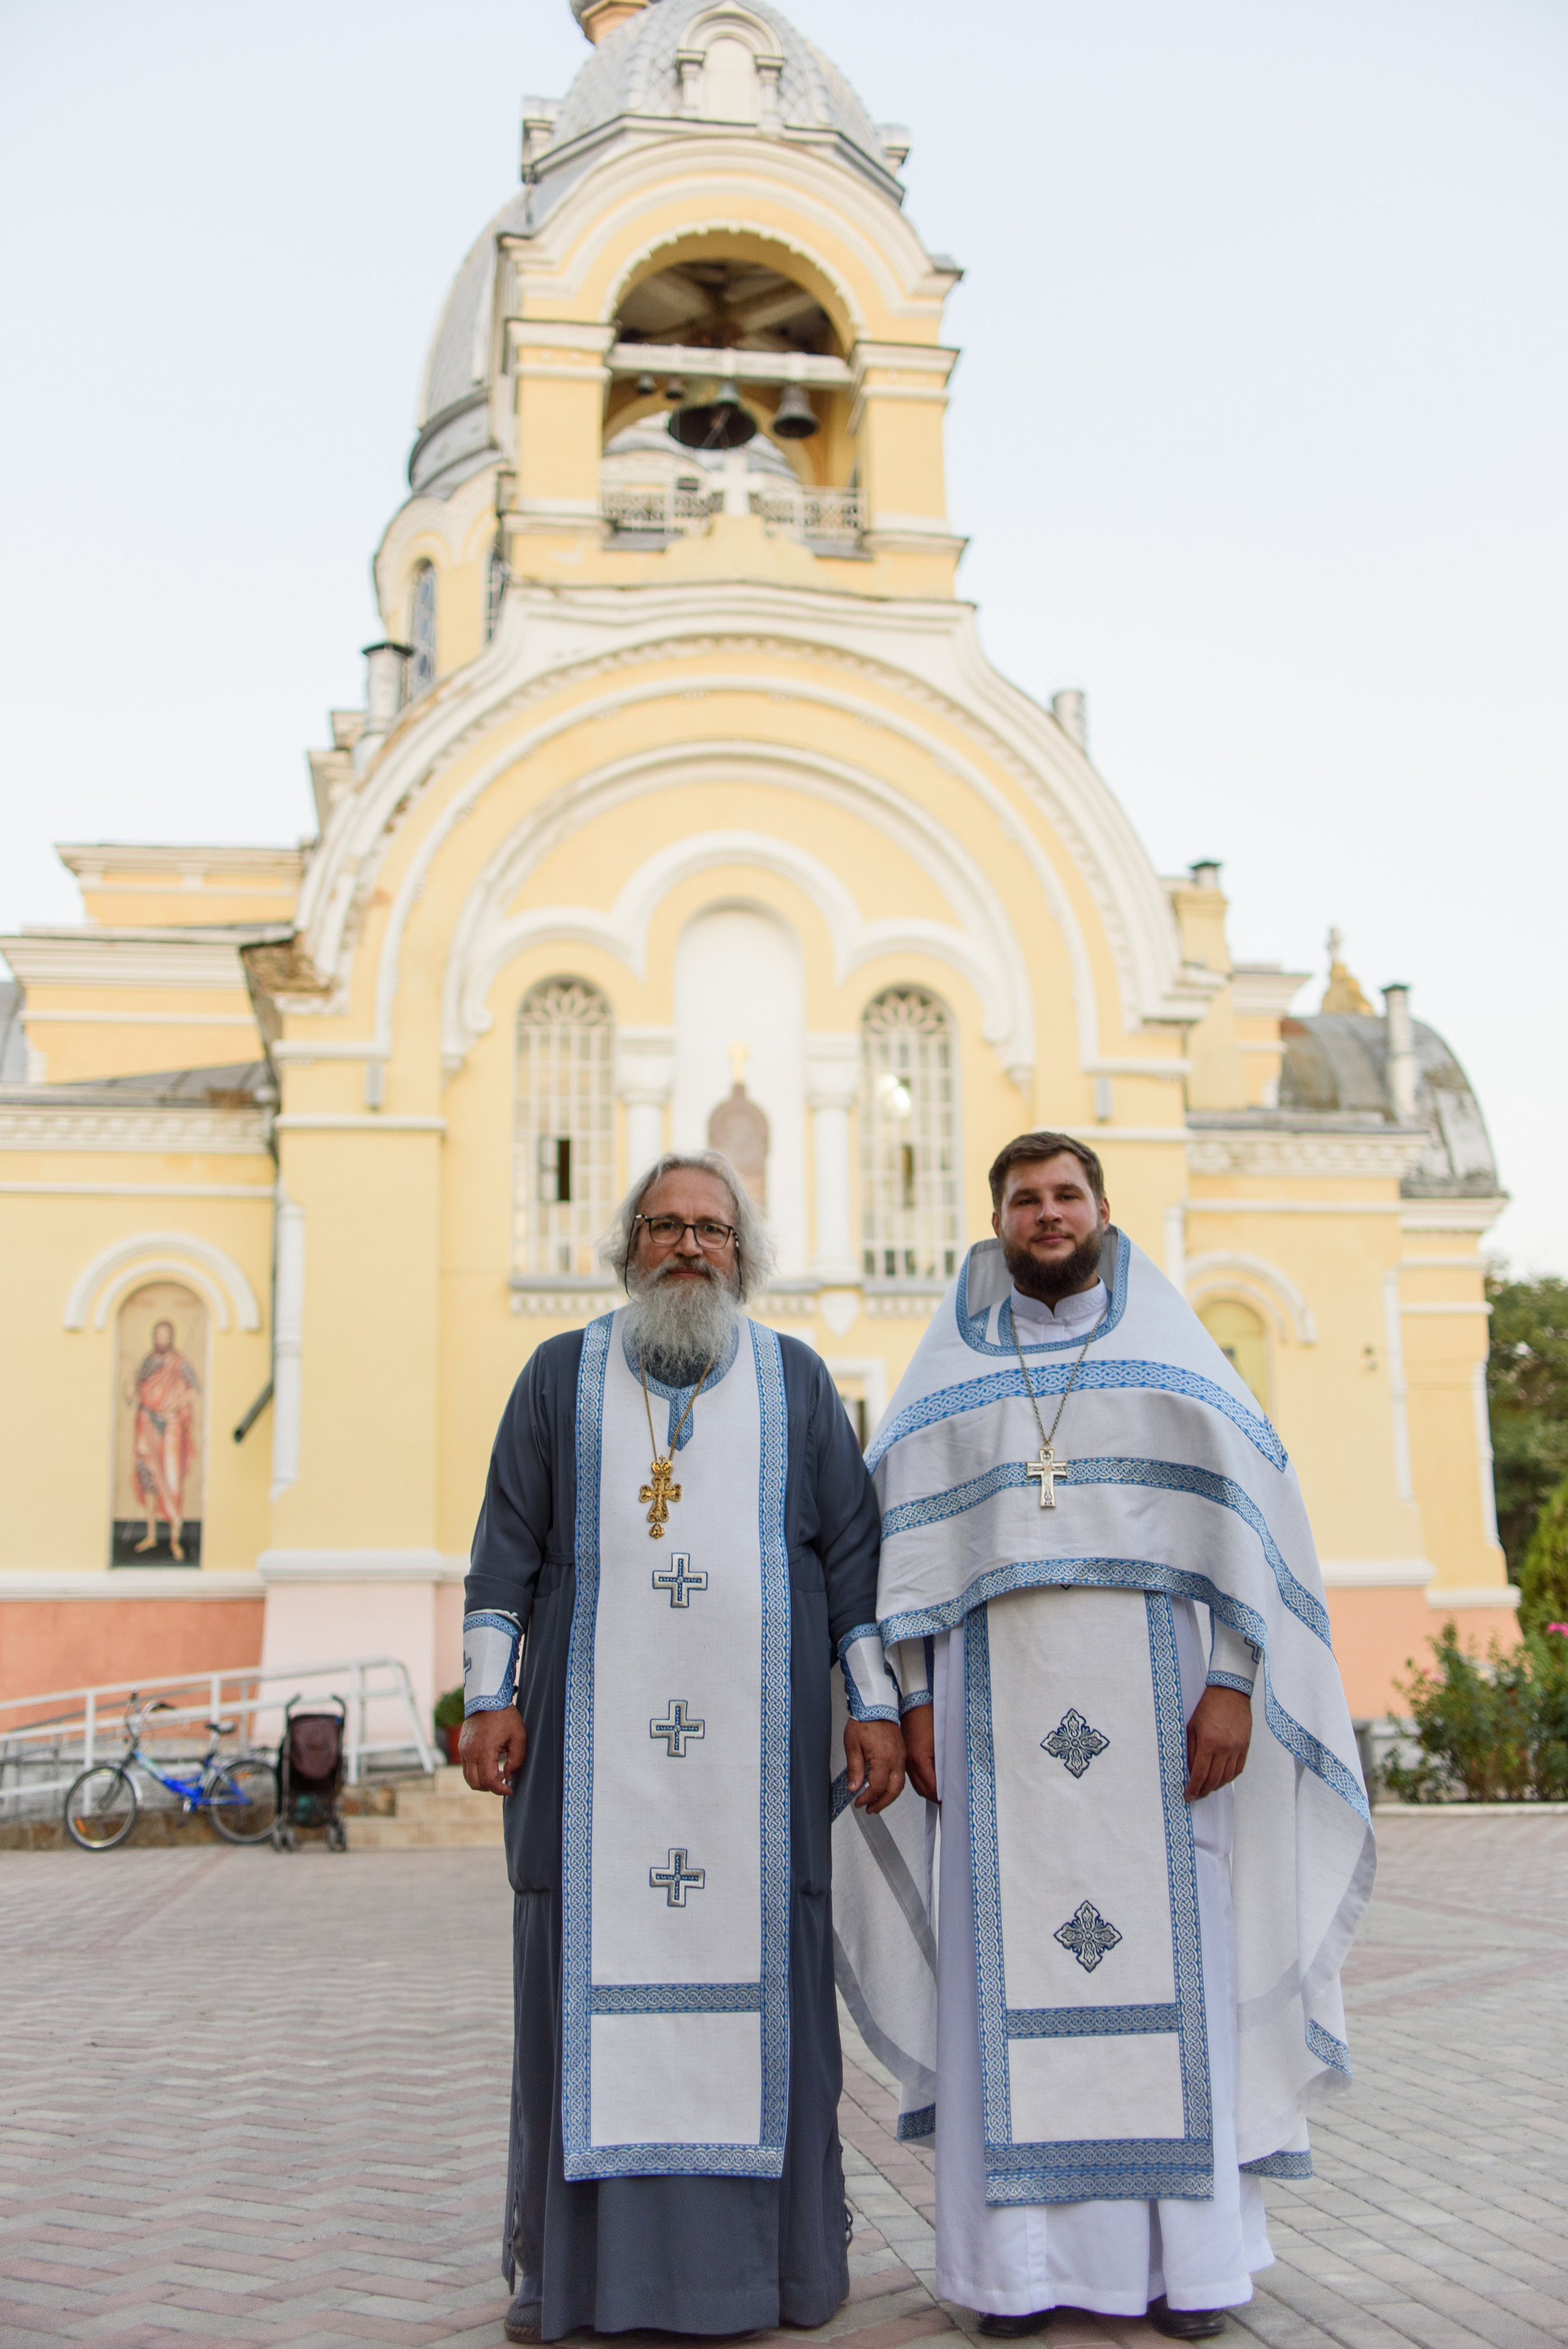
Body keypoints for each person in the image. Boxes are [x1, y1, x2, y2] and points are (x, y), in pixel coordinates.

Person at [867, 1132, 1373, 2339]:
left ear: (1101, 1209)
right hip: (993, 1746)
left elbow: (1249, 1532)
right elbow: (902, 1564)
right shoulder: (944, 1377)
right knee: (1001, 1982)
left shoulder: (1171, 1357)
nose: (1046, 1216)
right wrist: (917, 1706)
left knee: (1170, 1976)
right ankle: (1015, 2276)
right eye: (1023, 1200)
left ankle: (1186, 2271)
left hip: (1161, 1729)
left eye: (1064, 1196)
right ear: (993, 1221)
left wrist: (1237, 1685)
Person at [460, 1150, 906, 2344]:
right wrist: (486, 1699)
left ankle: (768, 2276)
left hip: (757, 1783)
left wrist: (872, 1706)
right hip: (586, 1772)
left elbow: (853, 1564)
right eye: (662, 1226)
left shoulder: (798, 1384)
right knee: (577, 1993)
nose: (687, 1247)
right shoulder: (558, 1379)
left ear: (742, 1254)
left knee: (771, 2001)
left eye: (711, 1230)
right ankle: (577, 2277)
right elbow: (506, 1545)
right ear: (627, 1249)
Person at [128, 1317, 199, 1559]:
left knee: (171, 1482)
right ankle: (150, 1535)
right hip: (147, 1426)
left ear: (172, 1338)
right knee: (148, 1479)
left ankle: (176, 1540)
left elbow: (194, 1390)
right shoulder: (147, 1362)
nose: (162, 1339)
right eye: (158, 1335)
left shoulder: (180, 1363)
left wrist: (175, 1405)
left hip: (170, 1428)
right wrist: (132, 1389)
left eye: (166, 1335)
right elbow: (136, 1387)